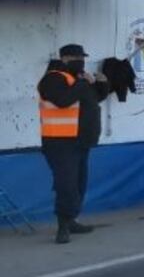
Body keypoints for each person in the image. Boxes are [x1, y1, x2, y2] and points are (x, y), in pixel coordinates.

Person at [37, 44, 110, 244]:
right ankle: (62, 227)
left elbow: (94, 98)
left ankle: (71, 220)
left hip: (80, 141)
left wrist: (101, 84)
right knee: (66, 185)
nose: (82, 62)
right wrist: (83, 83)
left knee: (79, 184)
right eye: (79, 58)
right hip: (60, 143)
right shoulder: (52, 78)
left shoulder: (77, 79)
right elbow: (63, 100)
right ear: (66, 58)